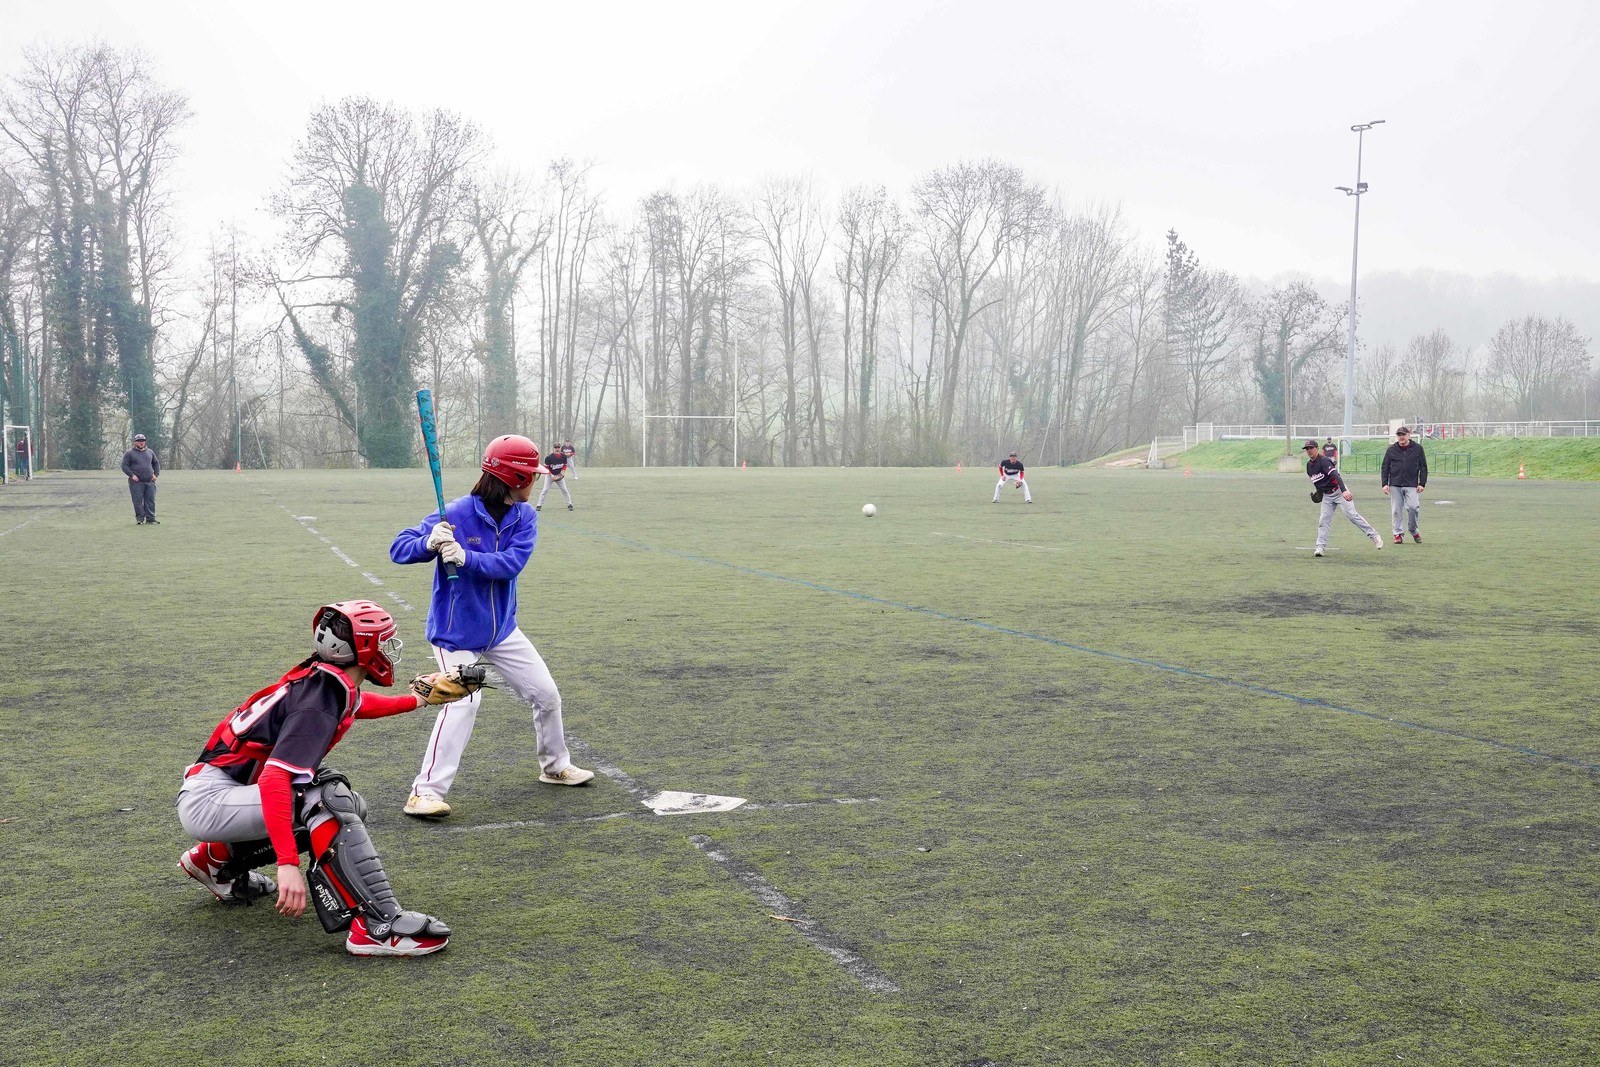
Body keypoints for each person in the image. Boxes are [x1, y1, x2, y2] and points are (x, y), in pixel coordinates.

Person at [176, 600, 463, 956]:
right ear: (365, 649)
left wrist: (418, 700)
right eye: (384, 640)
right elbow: (274, 780)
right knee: (326, 799)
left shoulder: (325, 680)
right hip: (212, 799)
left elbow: (357, 703)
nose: (390, 648)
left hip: (219, 790)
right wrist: (287, 864)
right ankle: (377, 927)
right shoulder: (320, 698)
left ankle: (216, 859)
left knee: (346, 803)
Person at [390, 434, 594, 819]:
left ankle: (555, 767)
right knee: (464, 700)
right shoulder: (456, 513)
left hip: (502, 632)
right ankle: (425, 792)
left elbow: (510, 565)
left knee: (547, 695)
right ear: (515, 478)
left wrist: (467, 557)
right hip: (456, 634)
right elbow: (398, 548)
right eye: (530, 475)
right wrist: (428, 543)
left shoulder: (525, 516)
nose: (534, 480)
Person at [1304, 439, 1382, 557]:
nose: (1309, 450)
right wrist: (1319, 492)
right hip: (1327, 496)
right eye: (1307, 449)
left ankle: (1374, 536)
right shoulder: (1309, 466)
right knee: (1323, 520)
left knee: (1351, 515)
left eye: (1311, 448)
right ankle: (1320, 546)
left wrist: (1344, 491)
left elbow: (1336, 475)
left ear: (1317, 448)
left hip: (1339, 491)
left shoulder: (1324, 461)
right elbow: (1316, 481)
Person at [1381, 425, 1428, 544]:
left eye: (1403, 434)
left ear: (1409, 435)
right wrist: (1384, 484)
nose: (1401, 437)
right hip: (1395, 484)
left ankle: (1413, 530)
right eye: (1399, 435)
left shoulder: (1417, 448)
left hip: (1411, 484)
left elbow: (1423, 466)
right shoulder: (1391, 449)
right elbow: (1385, 467)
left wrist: (1422, 483)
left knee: (1413, 508)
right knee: (1396, 510)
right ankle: (1398, 534)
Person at [120, 433, 160, 524]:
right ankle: (140, 519)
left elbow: (156, 463)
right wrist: (132, 475)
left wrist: (156, 474)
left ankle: (150, 519)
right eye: (139, 441)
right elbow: (124, 466)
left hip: (150, 481)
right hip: (136, 482)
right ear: (135, 442)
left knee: (150, 500)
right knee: (137, 501)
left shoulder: (150, 452)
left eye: (142, 441)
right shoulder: (129, 453)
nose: (141, 442)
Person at [537, 441, 574, 511]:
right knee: (545, 490)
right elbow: (546, 468)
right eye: (555, 447)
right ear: (553, 449)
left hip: (559, 475)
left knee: (565, 490)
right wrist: (551, 476)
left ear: (560, 448)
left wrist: (563, 472)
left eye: (558, 447)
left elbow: (565, 465)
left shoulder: (563, 456)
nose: (557, 449)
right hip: (550, 475)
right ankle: (539, 505)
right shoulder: (549, 458)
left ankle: (569, 504)